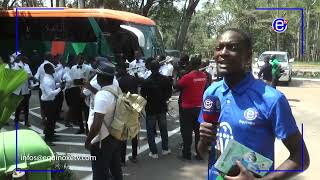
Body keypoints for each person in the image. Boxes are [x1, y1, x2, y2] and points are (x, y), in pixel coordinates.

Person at [197, 28, 309, 180]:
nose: (223, 52)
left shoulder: (272, 99)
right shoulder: (211, 93)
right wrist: (203, 141)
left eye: (232, 48)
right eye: (219, 47)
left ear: (248, 57)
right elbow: (203, 153)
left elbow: (300, 158)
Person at [85, 60, 122, 180]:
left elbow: (97, 124)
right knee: (115, 168)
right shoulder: (116, 89)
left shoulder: (102, 95)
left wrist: (89, 140)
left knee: (99, 172)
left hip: (101, 140)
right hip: (114, 135)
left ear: (100, 77)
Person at [174, 56, 208, 161]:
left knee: (186, 131)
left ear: (191, 64)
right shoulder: (204, 76)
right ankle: (199, 153)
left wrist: (175, 76)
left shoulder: (188, 77)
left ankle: (186, 154)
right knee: (198, 132)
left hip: (187, 108)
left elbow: (176, 86)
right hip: (199, 107)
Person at [141, 60, 172, 159]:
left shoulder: (146, 81)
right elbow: (169, 94)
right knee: (163, 129)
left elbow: (142, 95)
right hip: (162, 107)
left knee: (150, 130)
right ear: (159, 68)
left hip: (150, 108)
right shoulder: (165, 80)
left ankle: (153, 152)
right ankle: (165, 149)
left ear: (150, 68)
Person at [117, 63, 142, 164]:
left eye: (118, 69)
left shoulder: (118, 81)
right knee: (134, 132)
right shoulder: (133, 78)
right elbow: (140, 85)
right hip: (135, 105)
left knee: (123, 134)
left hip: (124, 107)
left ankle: (122, 160)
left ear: (121, 69)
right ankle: (134, 155)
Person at [41, 63, 65, 146]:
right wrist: (60, 89)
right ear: (48, 70)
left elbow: (53, 85)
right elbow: (50, 93)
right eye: (52, 68)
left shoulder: (50, 77)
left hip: (52, 101)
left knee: (53, 119)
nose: (54, 69)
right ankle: (47, 139)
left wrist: (59, 85)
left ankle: (51, 136)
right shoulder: (46, 80)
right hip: (48, 102)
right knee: (49, 121)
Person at [69, 53, 92, 134]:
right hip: (76, 90)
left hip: (85, 89)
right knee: (77, 110)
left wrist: (84, 82)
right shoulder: (73, 68)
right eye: (78, 59)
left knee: (86, 110)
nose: (79, 60)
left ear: (83, 59)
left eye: (81, 59)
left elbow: (90, 78)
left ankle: (88, 129)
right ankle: (81, 128)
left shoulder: (88, 67)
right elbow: (72, 79)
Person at [11, 55, 33, 127]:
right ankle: (16, 121)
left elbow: (30, 75)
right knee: (18, 106)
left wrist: (31, 82)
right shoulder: (15, 66)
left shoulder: (26, 65)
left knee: (26, 106)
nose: (26, 60)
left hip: (25, 88)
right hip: (18, 89)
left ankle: (26, 121)